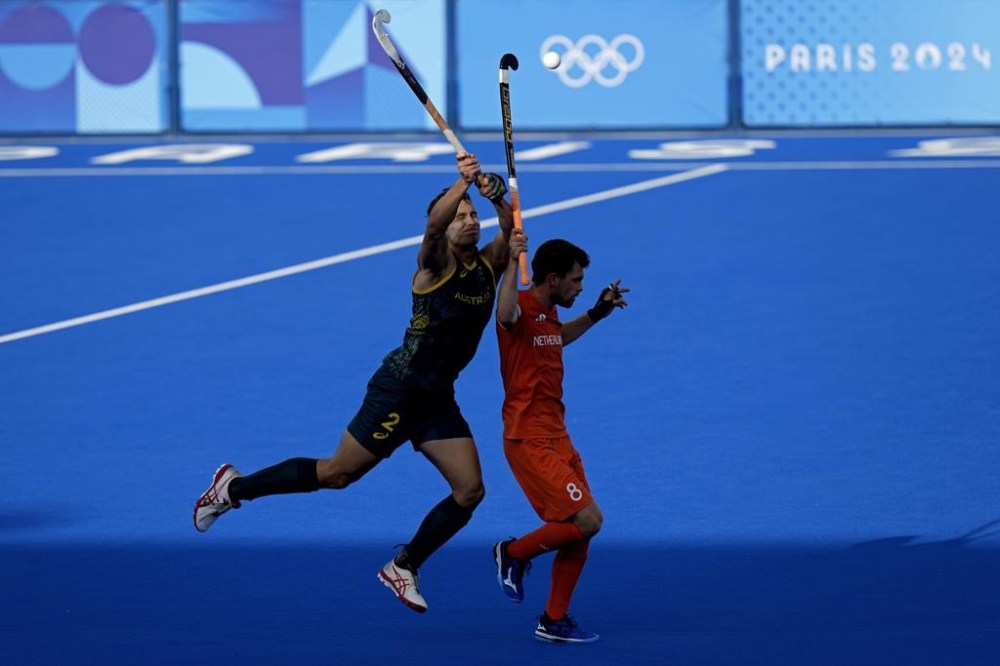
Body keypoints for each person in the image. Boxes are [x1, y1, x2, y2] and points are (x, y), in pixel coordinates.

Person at [193, 153, 513, 614]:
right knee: (337, 474)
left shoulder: (486, 266)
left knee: (470, 491)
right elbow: (430, 229)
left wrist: (497, 197)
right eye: (459, 216)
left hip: (437, 398)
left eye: (472, 217)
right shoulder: (433, 265)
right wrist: (460, 185)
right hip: (399, 390)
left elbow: (510, 228)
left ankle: (404, 565)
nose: (468, 222)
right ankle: (232, 489)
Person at [492, 230, 629, 643]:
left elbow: (558, 338)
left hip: (558, 437)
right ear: (552, 279)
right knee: (589, 519)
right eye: (576, 280)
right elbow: (505, 313)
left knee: (580, 531)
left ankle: (553, 619)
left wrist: (595, 313)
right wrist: (507, 264)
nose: (581, 286)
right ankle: (512, 553)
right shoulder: (519, 309)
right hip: (528, 438)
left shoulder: (549, 312)